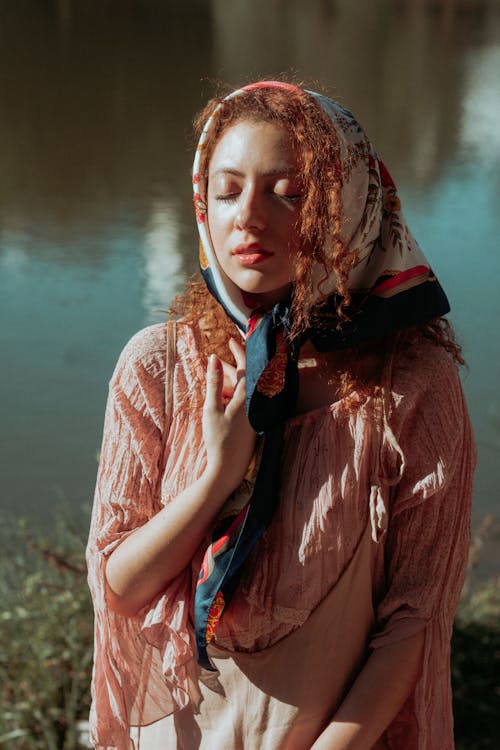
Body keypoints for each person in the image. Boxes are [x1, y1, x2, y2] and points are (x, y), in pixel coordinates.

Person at [86, 80, 475, 750]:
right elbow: (120, 588)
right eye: (227, 187)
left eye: (289, 192)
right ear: (201, 201)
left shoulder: (411, 388)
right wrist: (217, 478)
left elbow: (416, 619)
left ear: (346, 204)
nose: (249, 216)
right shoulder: (158, 367)